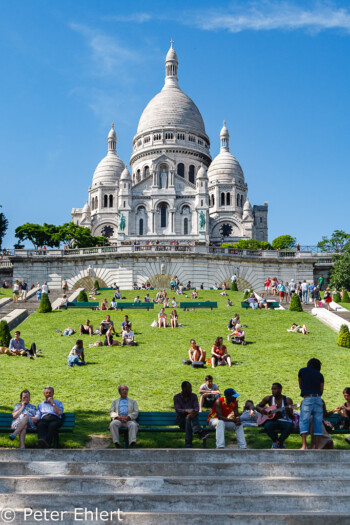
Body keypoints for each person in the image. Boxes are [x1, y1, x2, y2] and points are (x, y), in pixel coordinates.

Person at [256, 383, 294, 449]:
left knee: (289, 427)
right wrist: (261, 409)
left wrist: (288, 411)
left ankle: (278, 443)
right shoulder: (269, 398)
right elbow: (257, 406)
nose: (273, 391)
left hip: (285, 421)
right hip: (273, 420)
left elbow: (291, 416)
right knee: (267, 426)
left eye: (275, 389)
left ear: (280, 390)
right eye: (272, 389)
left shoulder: (287, 400)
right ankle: (278, 443)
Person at [173, 381, 210, 448]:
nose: (191, 389)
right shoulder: (177, 397)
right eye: (189, 388)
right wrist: (187, 411)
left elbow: (196, 408)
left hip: (191, 418)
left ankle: (188, 445)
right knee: (188, 417)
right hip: (181, 421)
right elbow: (178, 410)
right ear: (184, 389)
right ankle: (199, 431)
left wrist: (191, 413)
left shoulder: (194, 396)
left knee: (188, 419)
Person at [298, 358, 324, 450]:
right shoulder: (320, 375)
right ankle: (315, 447)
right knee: (318, 422)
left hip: (307, 398)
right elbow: (321, 390)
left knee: (303, 421)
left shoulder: (302, 371)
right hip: (317, 399)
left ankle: (304, 446)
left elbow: (301, 386)